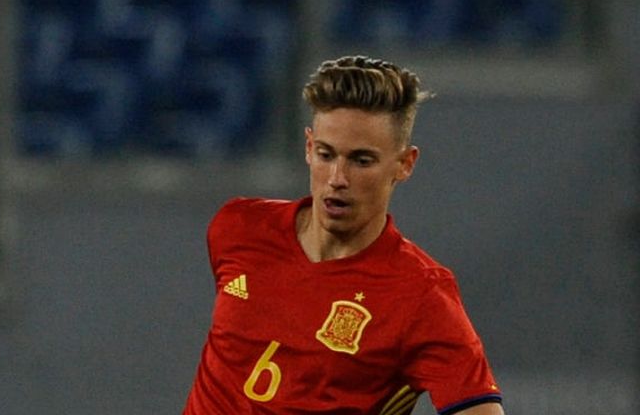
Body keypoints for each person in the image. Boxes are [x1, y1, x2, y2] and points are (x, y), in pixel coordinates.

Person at [183, 55, 504, 415]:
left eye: (361, 160)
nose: (337, 177)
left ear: (404, 164)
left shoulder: (421, 295)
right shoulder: (238, 227)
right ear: (308, 147)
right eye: (325, 154)